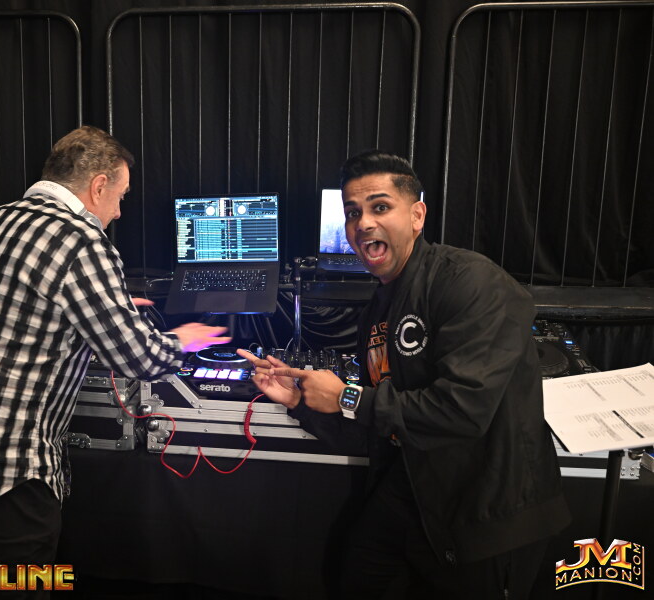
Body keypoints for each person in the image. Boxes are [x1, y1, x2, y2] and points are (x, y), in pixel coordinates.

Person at [0, 125, 230, 594]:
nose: (118, 211)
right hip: (7, 474)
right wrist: (184, 339)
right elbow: (139, 358)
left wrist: (106, 306)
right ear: (98, 185)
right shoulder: (80, 240)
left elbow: (14, 305)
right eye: (120, 196)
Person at [238, 150, 569, 599]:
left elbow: (462, 412)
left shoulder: (472, 282)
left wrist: (346, 397)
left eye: (380, 207)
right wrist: (300, 401)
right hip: (409, 489)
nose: (363, 223)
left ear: (417, 216)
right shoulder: (378, 308)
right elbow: (377, 423)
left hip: (485, 512)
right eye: (353, 213)